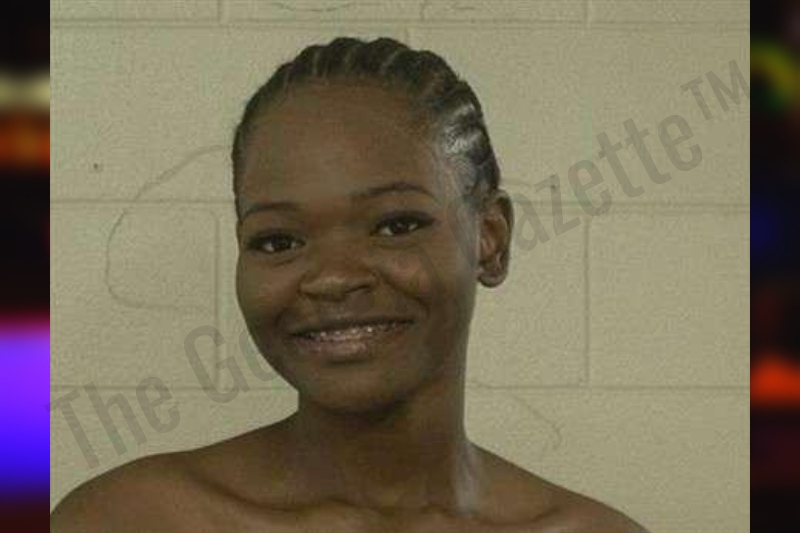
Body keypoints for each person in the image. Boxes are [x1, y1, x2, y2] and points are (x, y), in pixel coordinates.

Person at [51, 36, 650, 532]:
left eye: (396, 225)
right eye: (278, 241)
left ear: (489, 239)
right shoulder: (128, 519)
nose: (334, 278)